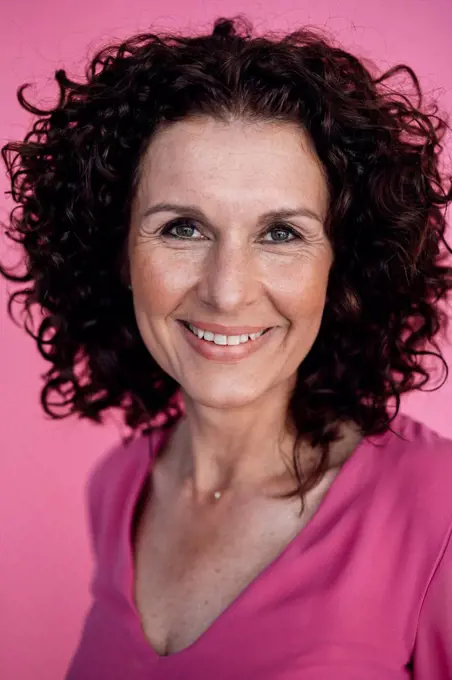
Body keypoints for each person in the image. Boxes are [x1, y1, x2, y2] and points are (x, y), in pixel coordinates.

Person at [2, 14, 452, 679]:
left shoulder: (436, 509)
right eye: (182, 227)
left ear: (340, 263)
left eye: (280, 234)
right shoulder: (118, 488)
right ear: (120, 252)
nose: (227, 291)